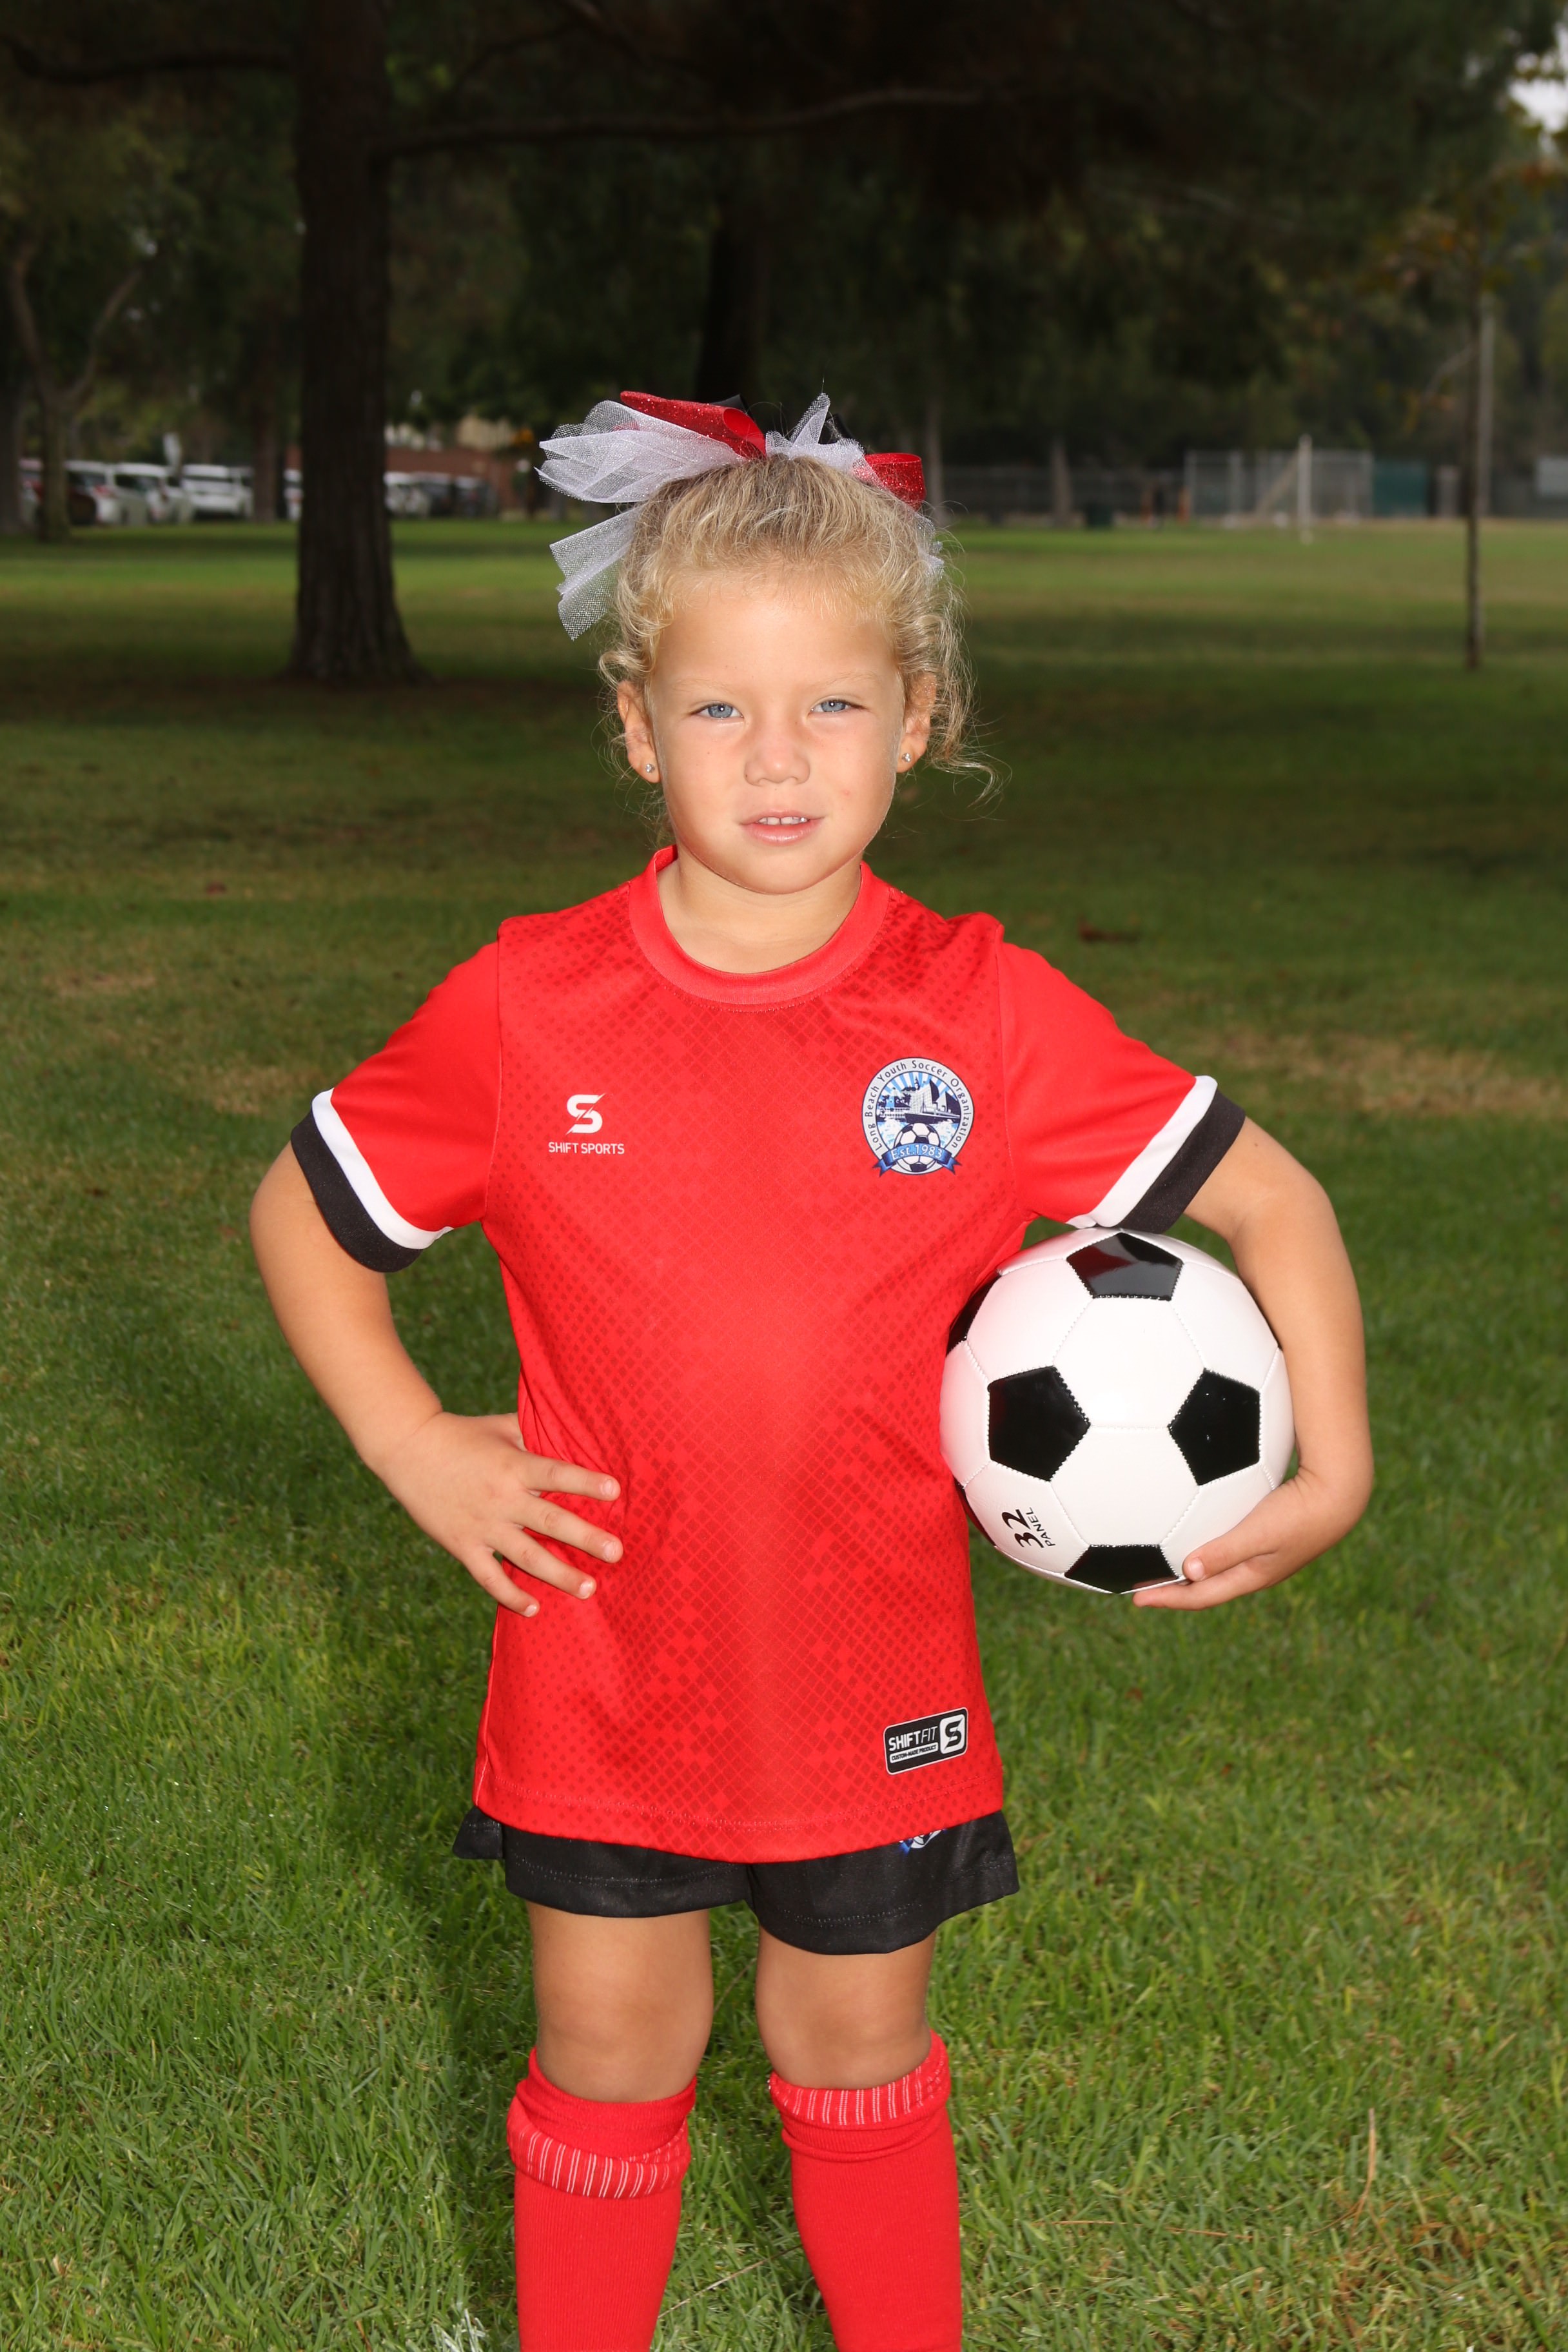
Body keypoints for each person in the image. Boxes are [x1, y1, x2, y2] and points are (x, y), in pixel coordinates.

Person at [250, 391, 1373, 2352]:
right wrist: (416, 1441)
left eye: (833, 704)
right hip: (603, 1655)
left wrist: (1332, 1465)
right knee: (610, 2049)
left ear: (918, 715)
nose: (777, 757)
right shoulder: (529, 1005)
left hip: (874, 1671)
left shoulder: (983, 1012)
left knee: (855, 2050)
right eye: (719, 708)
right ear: (635, 727)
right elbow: (305, 1214)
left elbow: (1273, 1201)